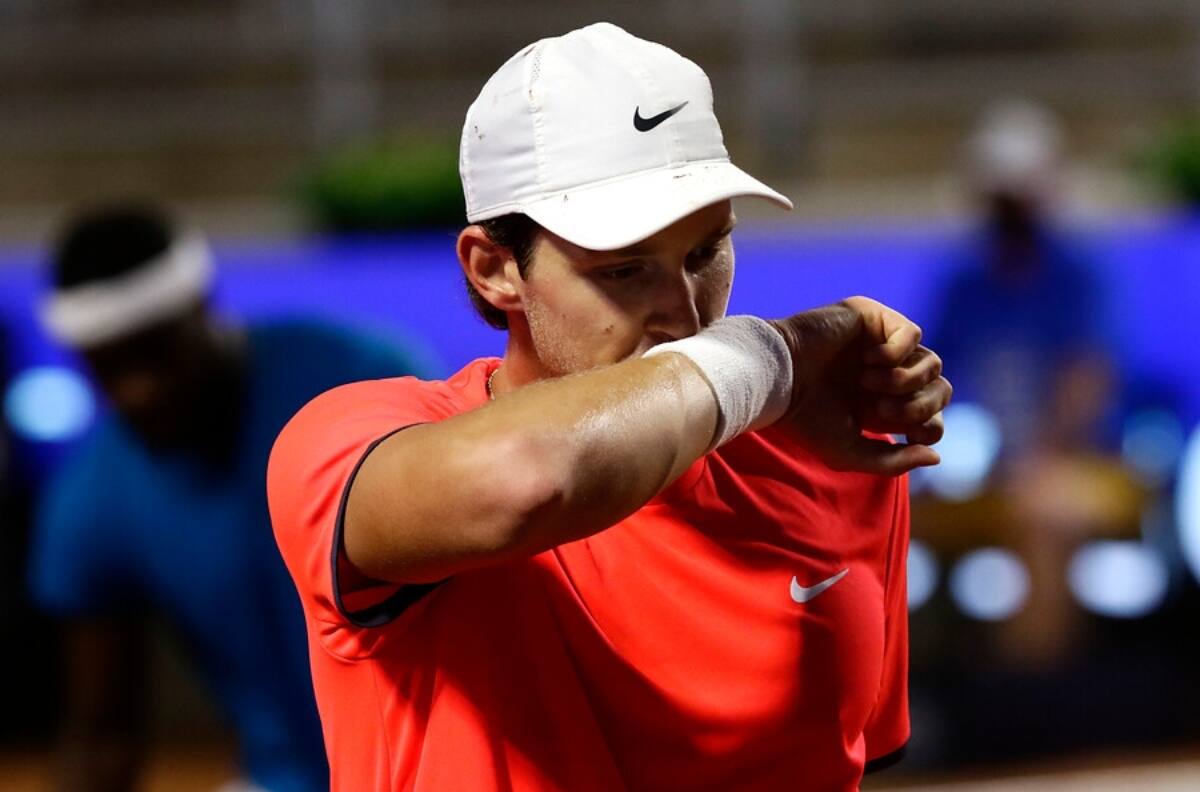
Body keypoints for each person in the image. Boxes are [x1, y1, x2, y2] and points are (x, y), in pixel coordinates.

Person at [268, 23, 951, 791]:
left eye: (705, 253)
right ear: (494, 268)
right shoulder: (354, 439)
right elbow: (526, 481)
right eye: (625, 271)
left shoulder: (827, 443)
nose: (683, 315)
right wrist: (775, 355)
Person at [28, 204, 429, 792]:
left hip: (444, 756)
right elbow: (101, 736)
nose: (137, 391)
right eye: (107, 368)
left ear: (202, 304)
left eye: (155, 352)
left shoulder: (361, 377)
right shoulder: (89, 501)